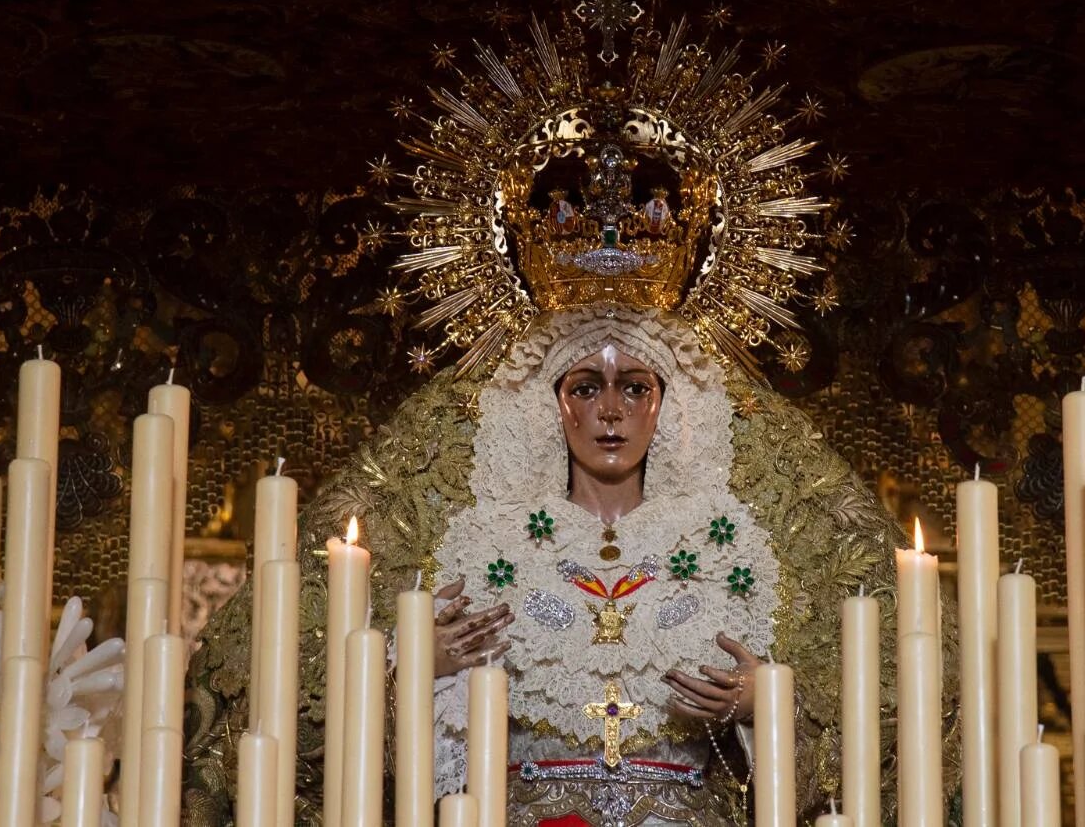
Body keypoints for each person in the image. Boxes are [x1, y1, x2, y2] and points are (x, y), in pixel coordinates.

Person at [183, 306, 945, 825]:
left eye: (633, 387)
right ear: (555, 405)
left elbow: (858, 711)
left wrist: (761, 702)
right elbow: (334, 722)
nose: (608, 410)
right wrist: (414, 665)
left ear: (663, 407)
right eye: (587, 386)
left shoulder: (733, 545)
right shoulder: (486, 542)